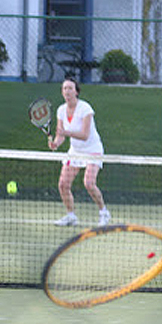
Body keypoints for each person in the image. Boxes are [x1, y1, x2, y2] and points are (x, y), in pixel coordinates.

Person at [48, 77, 111, 227]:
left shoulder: (85, 109)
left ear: (76, 91)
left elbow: (84, 135)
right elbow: (61, 134)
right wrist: (56, 143)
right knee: (63, 184)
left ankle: (104, 212)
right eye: (64, 88)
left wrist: (65, 133)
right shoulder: (61, 110)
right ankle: (71, 216)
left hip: (93, 150)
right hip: (75, 151)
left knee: (89, 183)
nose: (67, 91)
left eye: (70, 88)